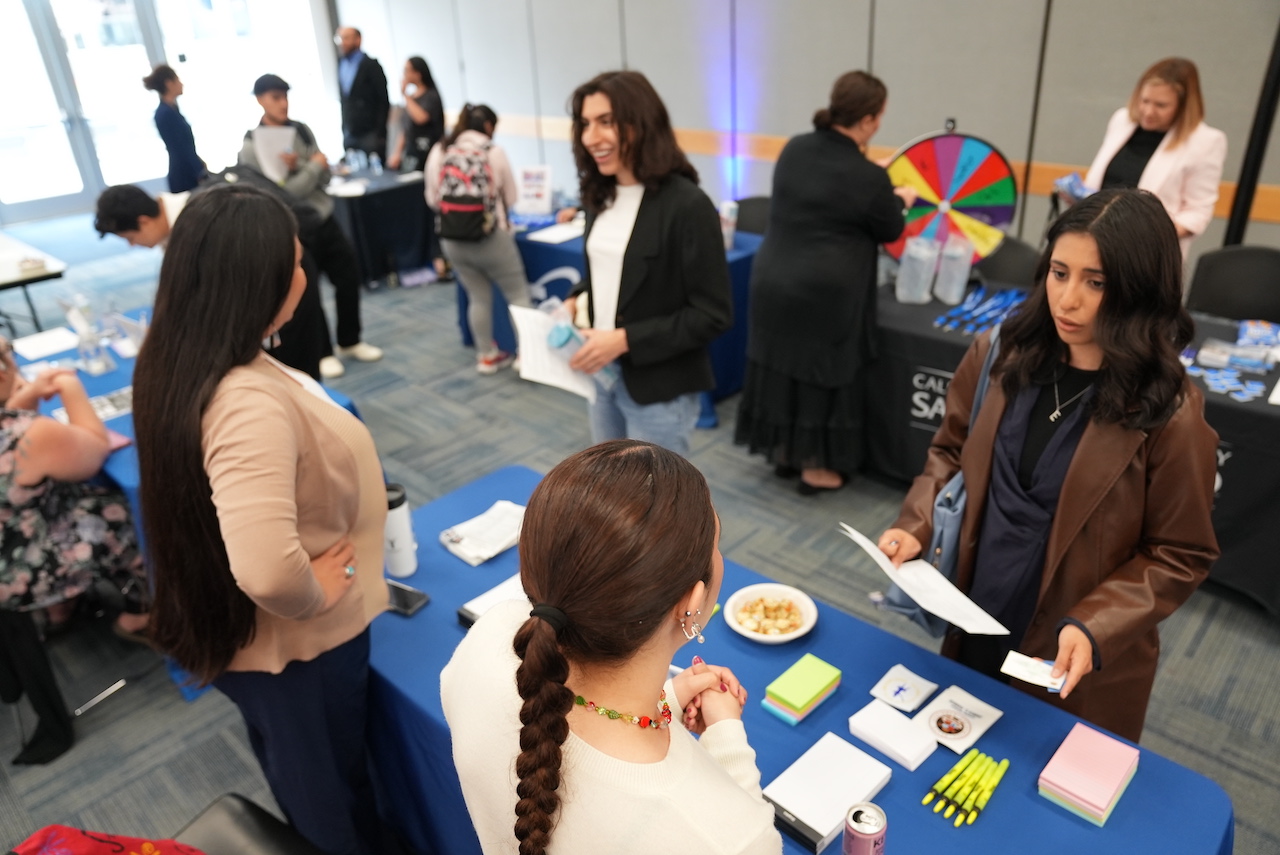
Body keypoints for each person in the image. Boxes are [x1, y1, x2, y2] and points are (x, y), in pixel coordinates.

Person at [878, 189, 1219, 741]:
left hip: (1072, 650)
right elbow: (948, 450)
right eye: (1060, 273)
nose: (1068, 300)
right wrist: (916, 522)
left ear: (1140, 290)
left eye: (1096, 282)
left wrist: (1098, 622)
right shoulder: (1000, 352)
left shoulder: (1171, 411)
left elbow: (1180, 553)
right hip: (977, 608)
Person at [133, 184, 390, 855]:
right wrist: (314, 591)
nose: (305, 273)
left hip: (247, 639)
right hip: (297, 646)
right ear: (257, 285)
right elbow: (268, 569)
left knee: (308, 777)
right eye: (295, 263)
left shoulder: (183, 353)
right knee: (331, 799)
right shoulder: (246, 403)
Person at [441, 440, 781, 855]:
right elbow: (738, 834)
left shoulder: (493, 634)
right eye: (717, 544)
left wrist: (666, 704)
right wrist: (727, 739)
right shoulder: (725, 835)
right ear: (691, 605)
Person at [735, 71, 917, 494]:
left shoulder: (796, 148)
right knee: (821, 376)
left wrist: (874, 177)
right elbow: (889, 229)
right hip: (824, 296)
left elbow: (829, 186)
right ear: (870, 121)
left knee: (782, 367)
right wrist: (899, 198)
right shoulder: (869, 179)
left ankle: (786, 453)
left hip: (772, 283)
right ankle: (815, 468)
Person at [564, 71, 732, 457]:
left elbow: (713, 315)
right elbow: (608, 273)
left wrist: (623, 340)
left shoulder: (687, 205)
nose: (591, 137)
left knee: (654, 507)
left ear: (640, 123)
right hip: (602, 376)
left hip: (659, 386)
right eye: (585, 124)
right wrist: (576, 298)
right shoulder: (598, 195)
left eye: (606, 122)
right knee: (608, 491)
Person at [0, 341, 149, 764]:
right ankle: (138, 611)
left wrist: (24, 396)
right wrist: (68, 385)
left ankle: (61, 610)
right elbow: (93, 448)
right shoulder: (28, 435)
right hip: (18, 571)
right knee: (122, 510)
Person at [93, 182, 329, 380]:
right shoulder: (186, 218)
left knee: (296, 366)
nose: (132, 245)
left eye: (130, 238)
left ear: (144, 221)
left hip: (279, 286)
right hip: (259, 305)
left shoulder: (203, 221)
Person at [238, 73, 383, 379]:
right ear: (260, 100)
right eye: (275, 97)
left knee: (347, 275)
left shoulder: (301, 130)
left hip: (324, 216)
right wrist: (313, 167)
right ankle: (324, 352)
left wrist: (305, 166)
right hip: (294, 227)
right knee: (308, 292)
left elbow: (326, 175)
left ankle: (349, 339)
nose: (283, 103)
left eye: (285, 96)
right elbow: (283, 193)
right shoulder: (252, 145)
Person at [425, 103, 531, 373]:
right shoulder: (492, 152)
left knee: (478, 297)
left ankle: (486, 356)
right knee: (517, 294)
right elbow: (512, 198)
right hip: (490, 237)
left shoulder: (440, 150)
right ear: (488, 127)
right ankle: (526, 358)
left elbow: (432, 198)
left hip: (452, 239)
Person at [1083, 58, 1226, 258]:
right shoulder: (1122, 121)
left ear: (1183, 107)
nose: (1148, 112)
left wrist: (1148, 235)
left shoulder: (1205, 141)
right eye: (1144, 101)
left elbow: (1197, 214)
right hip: (1093, 241)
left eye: (1161, 105)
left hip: (1145, 254)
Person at [388, 56, 447, 281]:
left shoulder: (430, 97)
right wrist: (397, 152)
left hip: (430, 158)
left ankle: (439, 258)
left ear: (418, 73)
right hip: (413, 159)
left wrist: (404, 95)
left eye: (407, 71)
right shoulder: (411, 99)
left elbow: (421, 118)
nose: (404, 75)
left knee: (432, 206)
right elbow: (406, 129)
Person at [142, 63, 206, 193]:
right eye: (178, 80)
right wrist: (197, 171)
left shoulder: (172, 109)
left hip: (188, 169)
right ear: (169, 83)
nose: (181, 84)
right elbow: (180, 148)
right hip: (184, 173)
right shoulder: (165, 114)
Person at [336, 27, 391, 159]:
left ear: (358, 39)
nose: (342, 42)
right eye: (340, 38)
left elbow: (383, 101)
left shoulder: (371, 66)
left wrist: (380, 133)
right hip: (350, 131)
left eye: (346, 38)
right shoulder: (341, 64)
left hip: (370, 133)